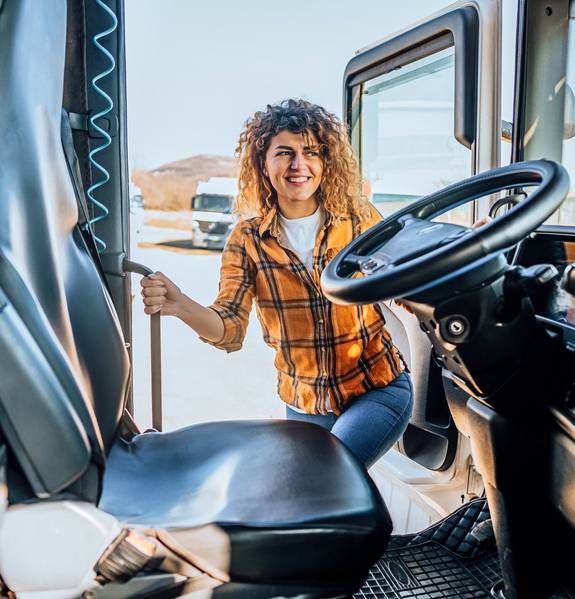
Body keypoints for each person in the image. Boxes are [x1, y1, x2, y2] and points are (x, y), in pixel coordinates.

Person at [141, 98, 413, 469]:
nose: (299, 165)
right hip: (304, 404)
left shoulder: (357, 218)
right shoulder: (247, 240)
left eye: (311, 152)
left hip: (377, 389)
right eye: (284, 153)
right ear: (263, 164)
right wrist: (180, 305)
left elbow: (407, 263)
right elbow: (229, 329)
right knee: (319, 497)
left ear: (326, 162)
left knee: (330, 478)